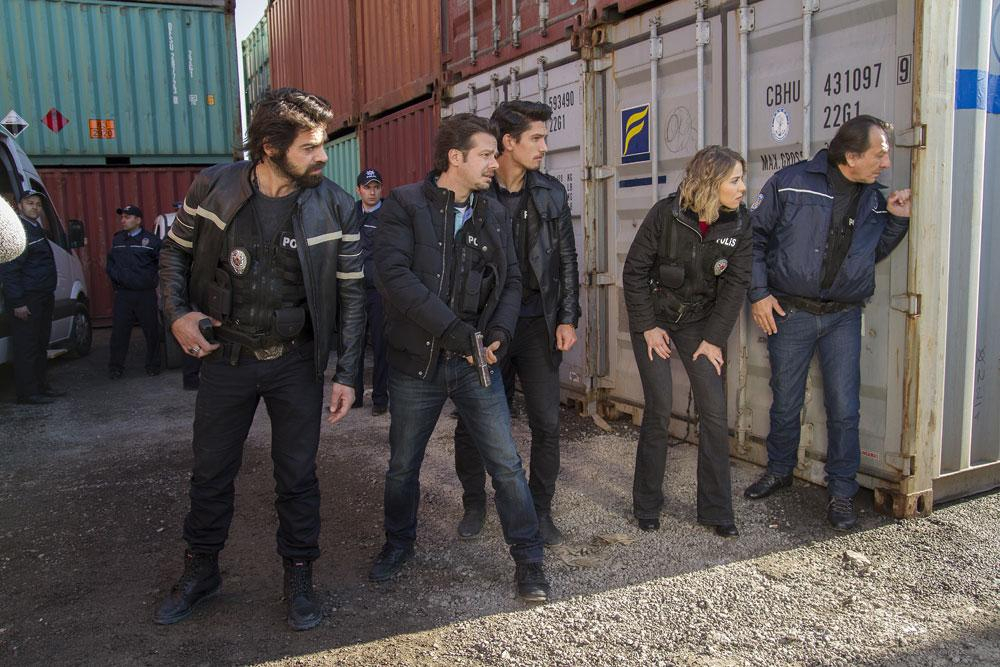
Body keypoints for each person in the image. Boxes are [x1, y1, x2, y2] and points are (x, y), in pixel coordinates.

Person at [154, 87, 365, 631]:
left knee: (297, 476)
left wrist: (347, 374)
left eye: (323, 145)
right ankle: (201, 570)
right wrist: (177, 313)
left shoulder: (337, 206)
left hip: (295, 362)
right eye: (310, 147)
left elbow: (352, 295)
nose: (323, 157)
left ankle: (299, 576)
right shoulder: (213, 186)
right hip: (226, 358)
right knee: (211, 471)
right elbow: (175, 253)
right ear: (270, 147)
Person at [369, 113, 550, 603]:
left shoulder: (494, 211)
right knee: (403, 465)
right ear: (455, 157)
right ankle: (398, 544)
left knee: (506, 464)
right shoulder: (404, 204)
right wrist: (455, 333)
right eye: (486, 155)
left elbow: (511, 281)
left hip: (476, 362)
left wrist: (499, 334)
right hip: (418, 363)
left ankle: (529, 559)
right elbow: (394, 278)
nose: (495, 163)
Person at [743, 115, 911, 530]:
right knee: (786, 401)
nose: (886, 164)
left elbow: (868, 254)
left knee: (844, 408)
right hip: (791, 312)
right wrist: (759, 294)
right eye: (879, 155)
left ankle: (841, 492)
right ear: (851, 156)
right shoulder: (790, 183)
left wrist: (896, 220)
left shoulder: (874, 199)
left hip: (842, 317)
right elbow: (753, 238)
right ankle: (779, 471)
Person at [453, 101, 580, 545]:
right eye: (536, 139)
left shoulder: (550, 192)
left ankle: (540, 510)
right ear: (508, 142)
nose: (544, 147)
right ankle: (474, 502)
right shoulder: (476, 193)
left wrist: (567, 317)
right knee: (474, 421)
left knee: (547, 423)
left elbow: (566, 259)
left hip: (537, 326)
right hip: (486, 328)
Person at [621, 145, 751, 537]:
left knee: (714, 411)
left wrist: (713, 340)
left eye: (742, 179)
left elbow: (736, 285)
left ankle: (716, 510)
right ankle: (647, 504)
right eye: (735, 180)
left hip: (699, 324)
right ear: (711, 183)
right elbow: (634, 272)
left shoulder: (740, 224)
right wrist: (647, 326)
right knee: (660, 406)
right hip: (655, 317)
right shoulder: (666, 214)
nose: (743, 188)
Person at [0, 190, 64, 405]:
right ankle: (27, 393)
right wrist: (18, 303)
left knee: (40, 344)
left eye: (38, 204)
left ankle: (41, 387)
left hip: (42, 297)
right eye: (30, 203)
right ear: (19, 206)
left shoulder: (36, 229)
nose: (35, 207)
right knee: (26, 347)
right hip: (27, 299)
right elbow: (9, 271)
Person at [106, 204, 162, 378]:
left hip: (145, 294)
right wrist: (118, 278)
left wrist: (150, 280)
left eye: (127, 217)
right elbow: (110, 264)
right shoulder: (118, 240)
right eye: (122, 217)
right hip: (124, 294)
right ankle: (116, 367)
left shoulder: (152, 241)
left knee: (152, 331)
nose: (123, 220)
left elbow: (162, 265)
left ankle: (153, 365)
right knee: (119, 333)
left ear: (138, 220)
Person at [351, 167, 389, 415]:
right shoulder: (350, 214)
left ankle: (380, 399)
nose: (372, 192)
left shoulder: (389, 215)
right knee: (352, 343)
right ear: (359, 190)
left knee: (380, 345)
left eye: (376, 187)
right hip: (354, 290)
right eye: (367, 187)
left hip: (379, 292)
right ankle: (353, 395)